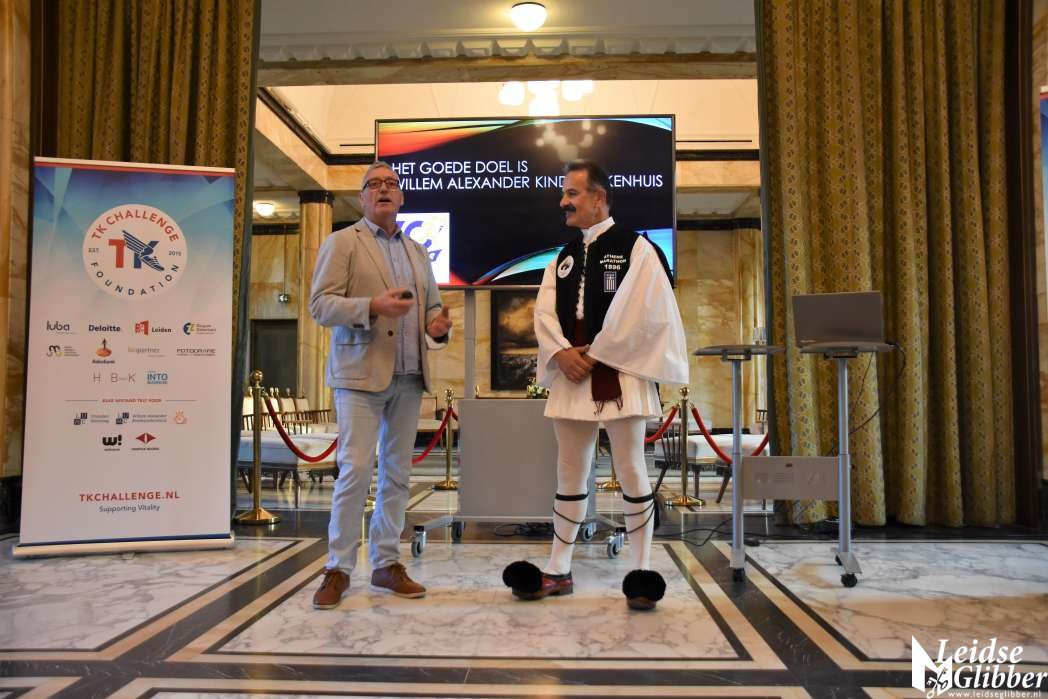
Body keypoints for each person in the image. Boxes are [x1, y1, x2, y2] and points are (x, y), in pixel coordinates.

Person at [502, 160, 688, 611]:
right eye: (564, 193)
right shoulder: (562, 258)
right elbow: (544, 314)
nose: (563, 201)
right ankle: (558, 568)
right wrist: (562, 353)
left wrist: (596, 353)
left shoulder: (638, 249)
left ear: (598, 197)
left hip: (620, 372)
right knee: (568, 471)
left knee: (631, 469)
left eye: (572, 193)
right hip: (572, 373)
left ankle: (641, 572)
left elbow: (643, 311)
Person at [309, 161, 452, 610]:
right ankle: (337, 567)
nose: (384, 189)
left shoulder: (417, 251)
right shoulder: (342, 242)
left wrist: (437, 326)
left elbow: (432, 307)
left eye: (391, 183)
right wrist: (371, 305)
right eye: (374, 184)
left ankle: (386, 563)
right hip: (359, 377)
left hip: (409, 377)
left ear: (402, 197)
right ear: (363, 197)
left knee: (397, 474)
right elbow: (320, 305)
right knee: (355, 470)